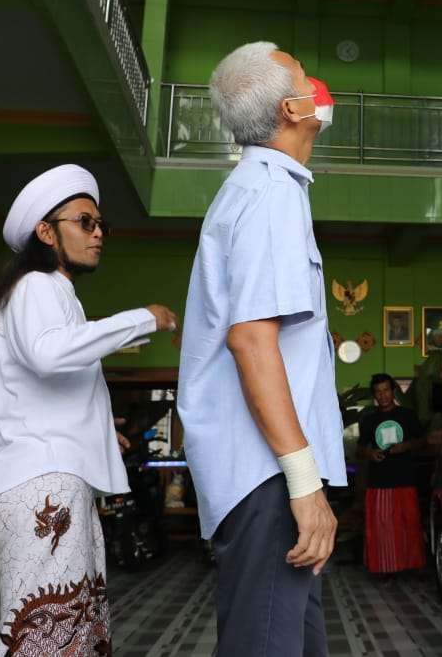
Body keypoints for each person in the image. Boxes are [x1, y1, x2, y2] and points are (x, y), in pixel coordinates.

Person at [0, 164, 178, 656]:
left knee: (70, 626)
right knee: (43, 633)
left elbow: (50, 382)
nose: (99, 234)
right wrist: (141, 317)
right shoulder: (37, 285)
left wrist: (105, 435)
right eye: (85, 222)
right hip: (40, 483)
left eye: (102, 225)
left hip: (48, 476)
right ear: (45, 231)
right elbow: (49, 353)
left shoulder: (53, 291)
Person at [177, 42, 346, 655]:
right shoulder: (269, 193)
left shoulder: (261, 190)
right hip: (268, 474)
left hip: (265, 472)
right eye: (307, 78)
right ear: (291, 108)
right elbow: (251, 340)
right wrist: (304, 483)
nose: (320, 86)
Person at [357, 373, 426, 574]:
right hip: (379, 482)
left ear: (393, 391)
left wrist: (405, 446)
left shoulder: (407, 415)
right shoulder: (369, 420)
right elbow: (359, 450)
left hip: (405, 479)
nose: (383, 395)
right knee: (383, 529)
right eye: (378, 392)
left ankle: (410, 568)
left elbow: (423, 441)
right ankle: (385, 569)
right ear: (374, 396)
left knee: (408, 525)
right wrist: (370, 453)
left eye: (386, 390)